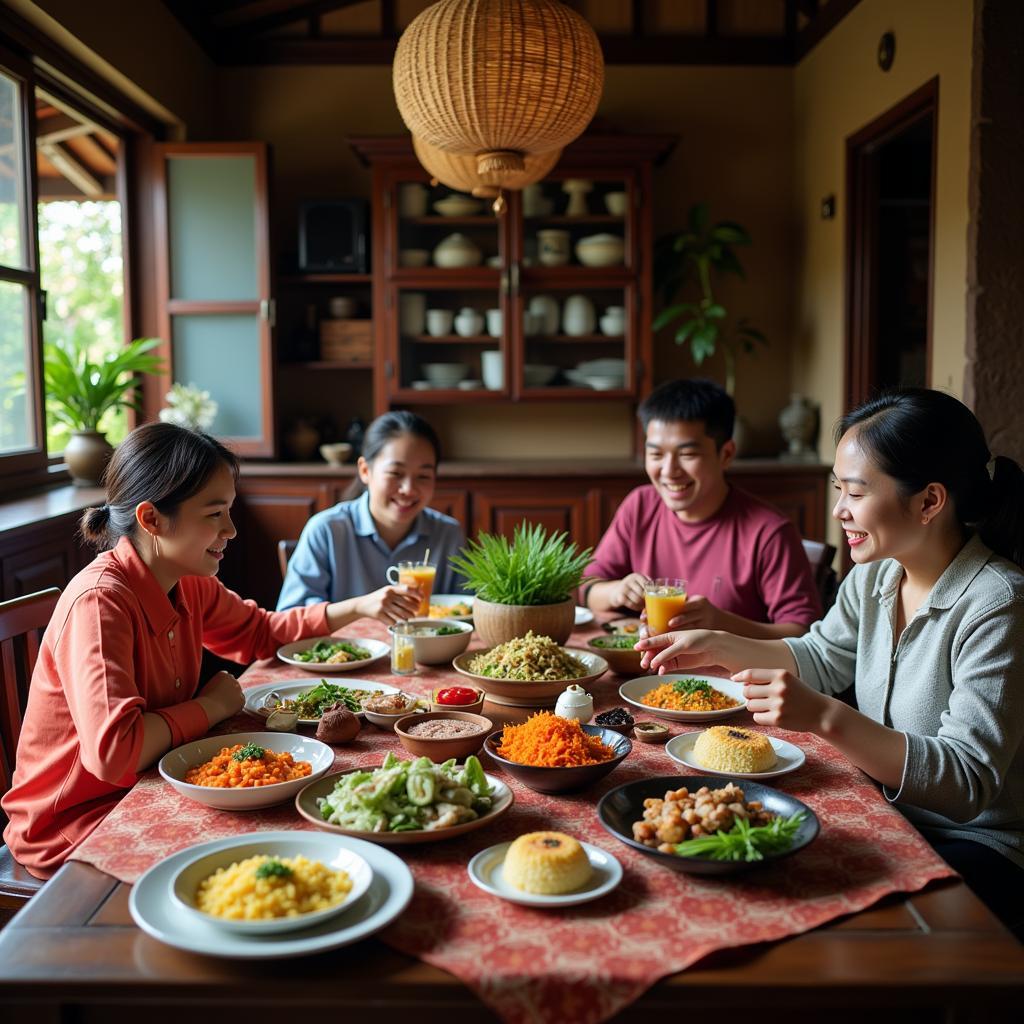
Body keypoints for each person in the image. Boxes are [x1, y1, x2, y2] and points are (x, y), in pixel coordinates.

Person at [638, 388, 1024, 938]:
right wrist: (717, 646)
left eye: (857, 493)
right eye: (838, 489)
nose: (839, 510)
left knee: (826, 925)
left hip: (978, 842)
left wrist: (824, 717)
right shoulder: (875, 575)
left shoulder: (998, 604)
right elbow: (821, 656)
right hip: (884, 814)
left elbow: (966, 781)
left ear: (930, 501)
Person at [1, 423, 390, 878]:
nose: (231, 530)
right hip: (79, 823)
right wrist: (210, 706)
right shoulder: (101, 601)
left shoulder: (187, 581)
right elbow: (114, 753)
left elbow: (261, 633)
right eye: (214, 514)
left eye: (229, 511)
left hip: (153, 785)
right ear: (151, 519)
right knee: (274, 850)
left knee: (307, 817)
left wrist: (359, 606)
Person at [585, 378, 821, 638]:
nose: (669, 471)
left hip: (730, 676)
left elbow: (803, 636)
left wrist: (720, 623)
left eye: (687, 455)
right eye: (655, 454)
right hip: (646, 672)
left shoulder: (769, 531)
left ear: (726, 455)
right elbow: (587, 589)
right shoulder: (640, 505)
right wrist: (616, 590)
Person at [277, 411, 465, 620]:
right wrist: (358, 607)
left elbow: (467, 610)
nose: (409, 489)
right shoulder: (326, 530)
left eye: (423, 476)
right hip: (347, 650)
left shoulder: (448, 534)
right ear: (365, 470)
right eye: (396, 473)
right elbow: (290, 619)